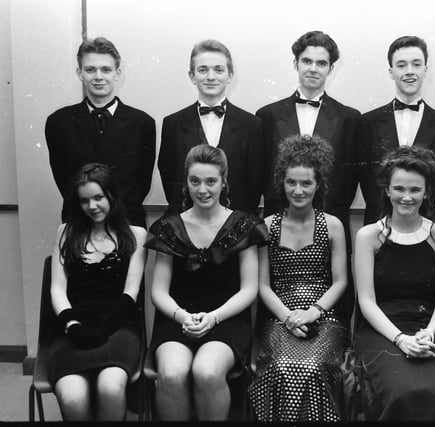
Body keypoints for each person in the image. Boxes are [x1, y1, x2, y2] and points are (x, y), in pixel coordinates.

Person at [146, 144, 268, 420]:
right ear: (186, 183)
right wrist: (182, 317)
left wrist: (213, 317)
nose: (203, 190)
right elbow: (159, 292)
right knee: (172, 374)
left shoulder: (244, 226)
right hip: (177, 320)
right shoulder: (169, 226)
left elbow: (249, 289)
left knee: (207, 371)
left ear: (224, 182)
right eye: (195, 181)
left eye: (211, 181)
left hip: (226, 320)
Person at [353, 145, 435, 420]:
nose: (407, 197)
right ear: (387, 190)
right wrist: (400, 340)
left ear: (427, 192)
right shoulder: (368, 236)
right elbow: (366, 302)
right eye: (399, 188)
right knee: (400, 390)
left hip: (429, 331)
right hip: (382, 331)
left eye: (415, 189)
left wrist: (429, 333)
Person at [248, 135, 349, 421]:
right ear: (282, 182)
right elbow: (263, 285)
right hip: (280, 317)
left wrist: (312, 313)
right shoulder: (267, 225)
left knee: (314, 366)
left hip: (324, 318)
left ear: (318, 185)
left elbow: (340, 281)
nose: (298, 190)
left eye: (306, 183)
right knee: (281, 366)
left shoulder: (332, 225)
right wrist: (289, 316)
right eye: (292, 182)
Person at [257, 31, 360, 279]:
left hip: (330, 227)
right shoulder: (267, 115)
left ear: (331, 68)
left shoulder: (349, 118)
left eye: (321, 63)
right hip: (279, 227)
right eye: (307, 61)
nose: (313, 69)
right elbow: (261, 174)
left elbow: (350, 179)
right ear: (296, 63)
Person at [48, 163, 147, 421]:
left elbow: (131, 293)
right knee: (72, 397)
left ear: (112, 195)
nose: (92, 206)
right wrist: (73, 327)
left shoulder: (136, 235)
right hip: (73, 329)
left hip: (118, 327)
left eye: (98, 197)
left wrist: (103, 330)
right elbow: (58, 290)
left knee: (110, 388)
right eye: (84, 201)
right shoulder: (65, 232)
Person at [45, 36, 155, 228]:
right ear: (79, 73)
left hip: (127, 223)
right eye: (90, 70)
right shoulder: (58, 122)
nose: (98, 77)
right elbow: (63, 179)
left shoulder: (142, 122)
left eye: (106, 69)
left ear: (117, 73)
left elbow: (142, 183)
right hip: (79, 223)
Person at [356, 35, 435, 225]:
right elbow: (367, 183)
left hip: (425, 225)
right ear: (391, 71)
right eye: (401, 65)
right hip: (377, 226)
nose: (409, 71)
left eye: (416, 64)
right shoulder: (367, 122)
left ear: (426, 70)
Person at [158, 39, 264, 215]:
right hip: (187, 222)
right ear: (192, 76)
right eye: (202, 70)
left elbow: (255, 183)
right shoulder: (173, 124)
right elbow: (170, 179)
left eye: (219, 69)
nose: (211, 76)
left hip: (235, 224)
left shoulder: (251, 125)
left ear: (230, 75)